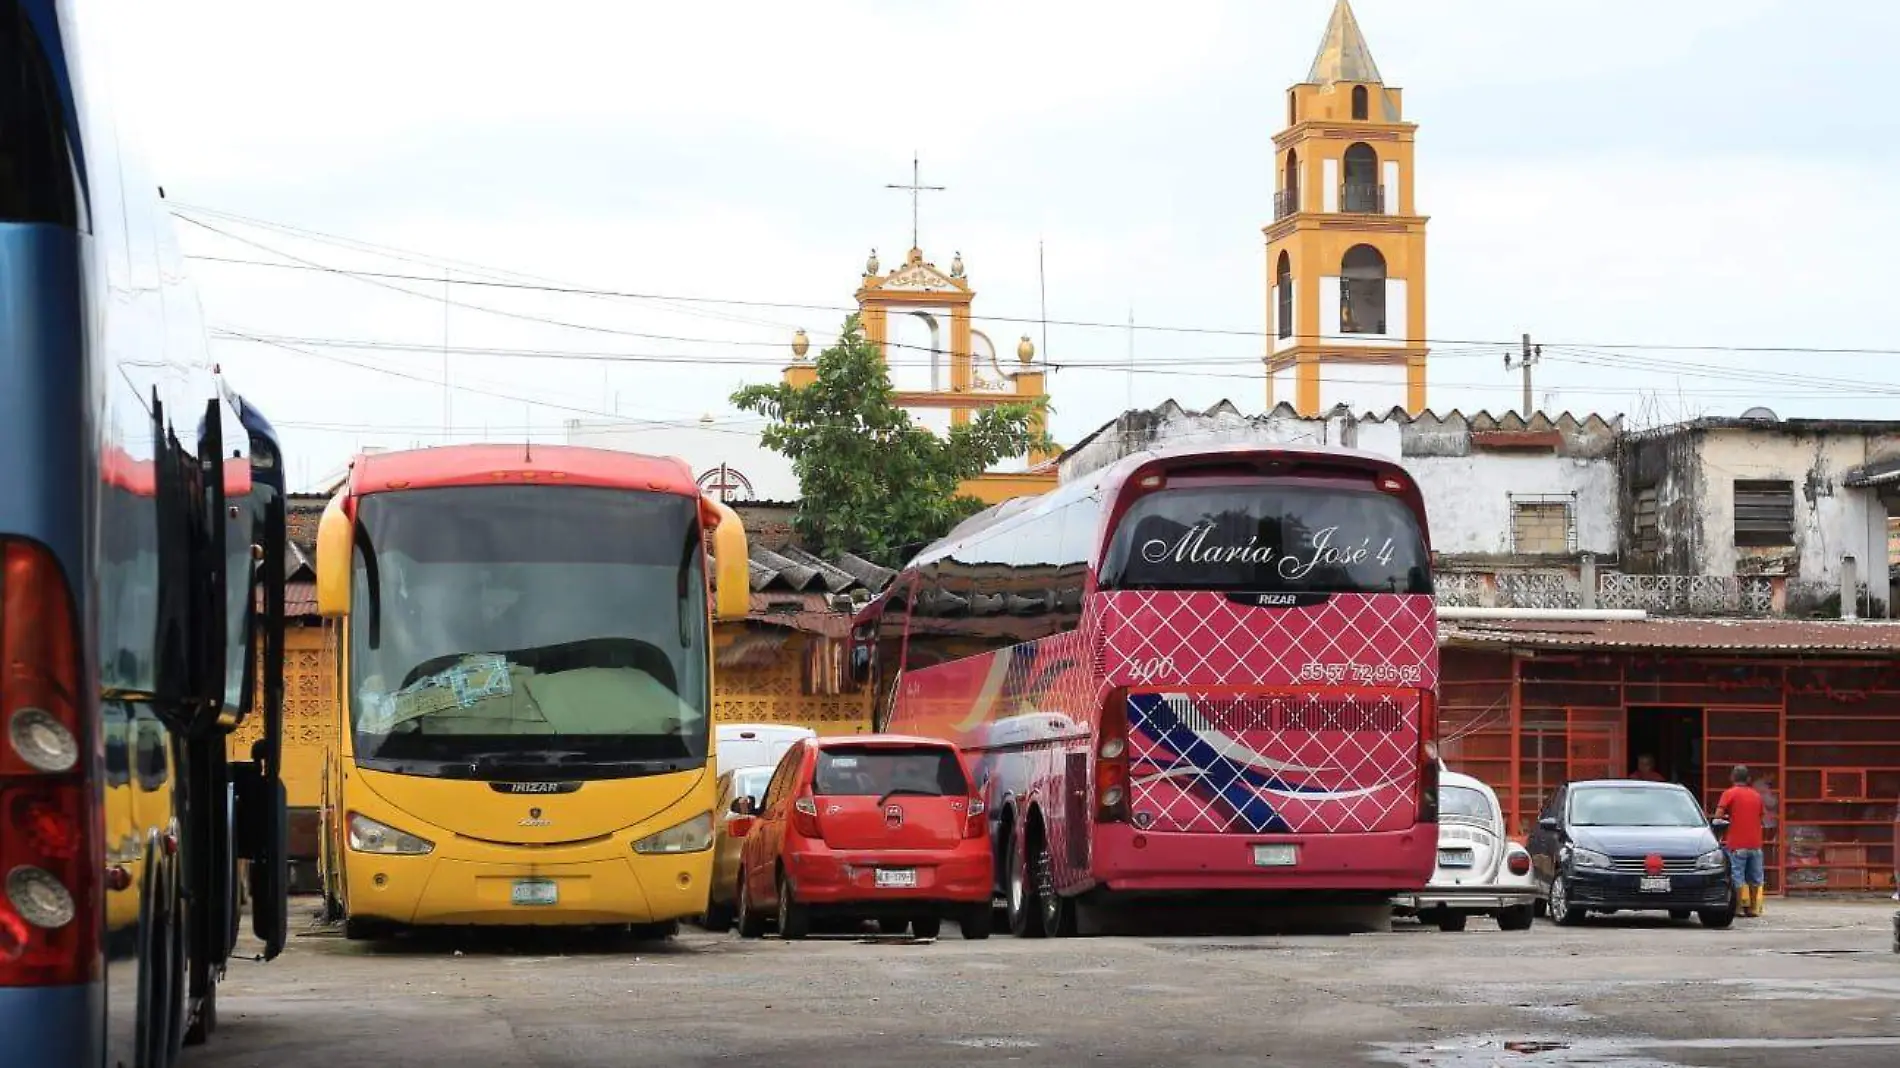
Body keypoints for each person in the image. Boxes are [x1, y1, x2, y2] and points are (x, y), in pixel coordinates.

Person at [1715, 764, 1767, 918]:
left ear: (1732, 777)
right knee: (1755, 877)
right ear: (1748, 779)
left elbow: (1718, 816)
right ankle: (1753, 908)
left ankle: (1738, 908)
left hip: (1737, 843)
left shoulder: (1729, 793)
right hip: (1755, 843)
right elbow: (1761, 817)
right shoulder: (1757, 795)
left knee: (1737, 876)